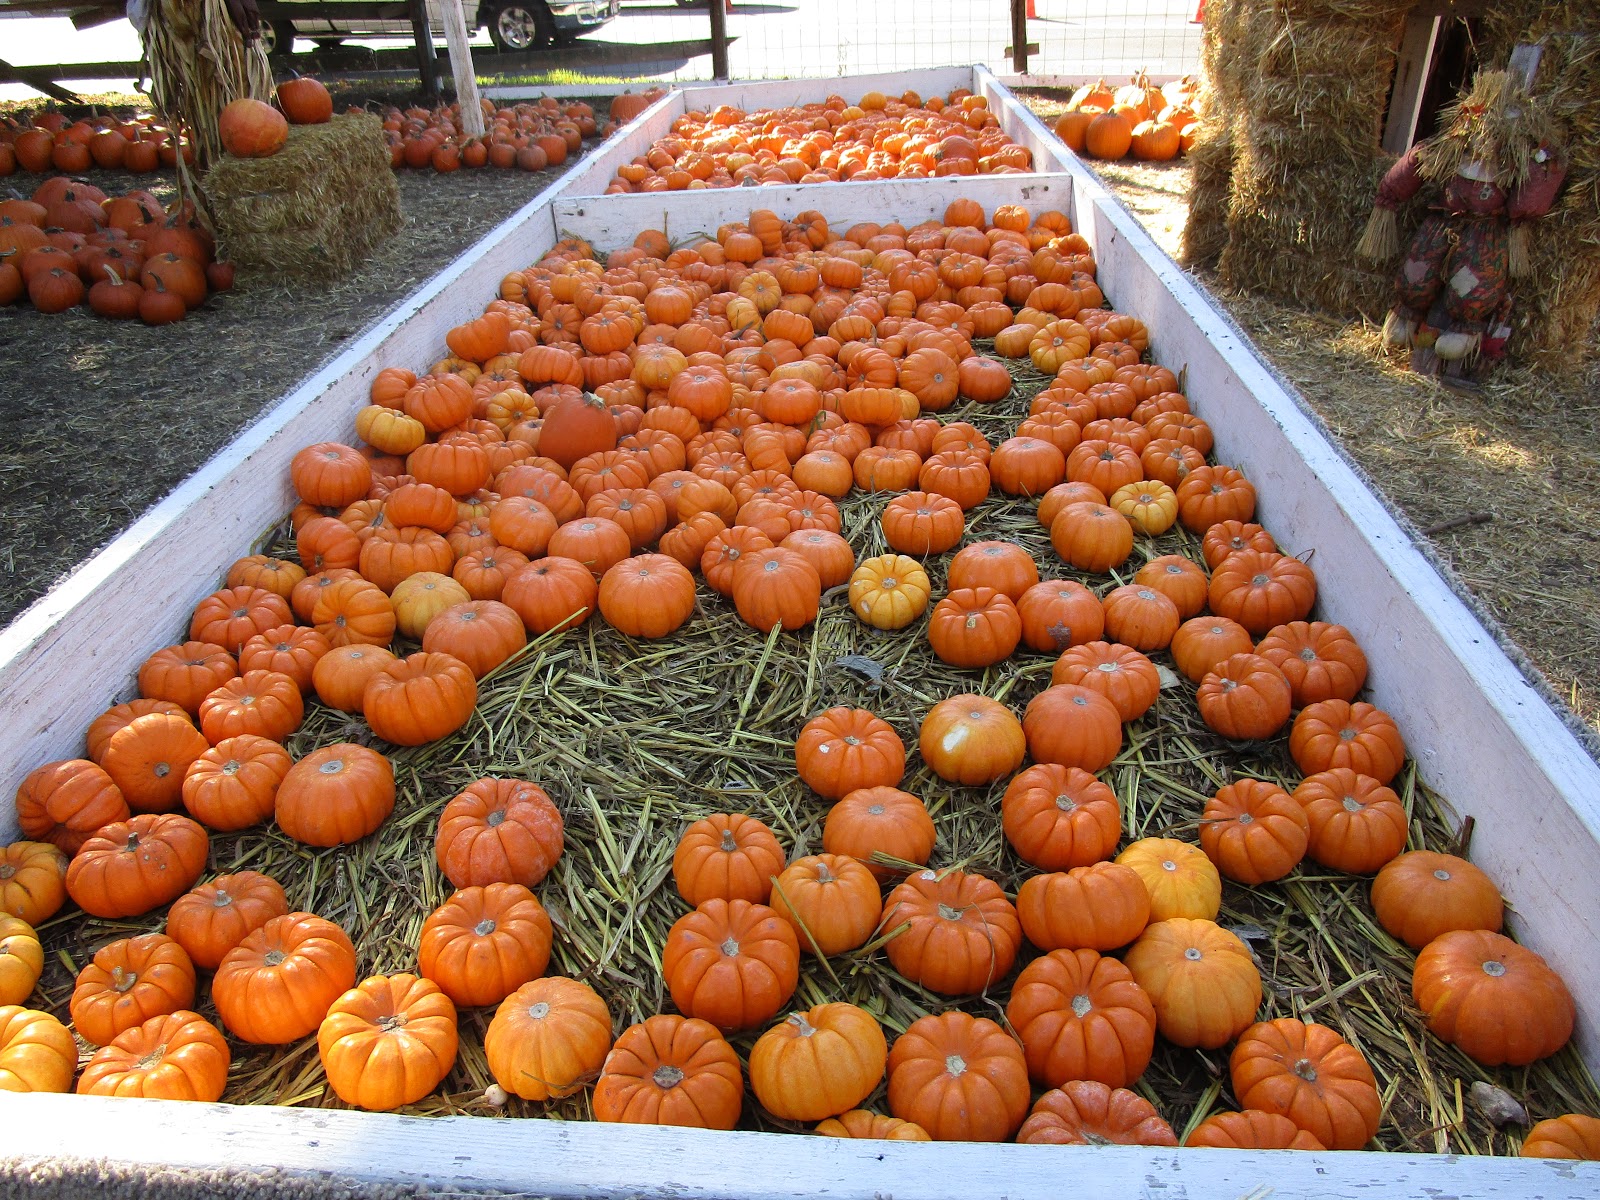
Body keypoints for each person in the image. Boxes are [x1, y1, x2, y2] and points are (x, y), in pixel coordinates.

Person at [1357, 70, 1566, 387]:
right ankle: (1407, 314)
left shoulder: (1524, 156)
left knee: (1473, 281)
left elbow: (1531, 198)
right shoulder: (1453, 144)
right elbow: (1418, 162)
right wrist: (1390, 197)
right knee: (1418, 270)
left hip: (1484, 229)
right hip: (1443, 220)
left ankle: (1464, 332)